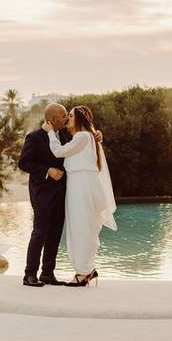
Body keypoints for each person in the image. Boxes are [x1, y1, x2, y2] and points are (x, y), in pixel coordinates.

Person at [17, 103, 103, 287]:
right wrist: (47, 170)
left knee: (55, 233)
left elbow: (82, 143)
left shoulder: (65, 135)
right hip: (42, 193)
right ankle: (29, 274)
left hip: (62, 193)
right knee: (39, 232)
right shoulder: (34, 137)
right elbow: (24, 163)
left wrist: (96, 136)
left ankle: (47, 273)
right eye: (64, 116)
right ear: (53, 120)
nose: (66, 119)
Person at [41, 105, 117, 285]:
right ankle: (86, 269)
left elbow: (58, 151)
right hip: (78, 185)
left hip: (82, 186)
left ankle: (84, 271)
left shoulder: (83, 136)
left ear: (79, 119)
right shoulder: (83, 137)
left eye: (71, 115)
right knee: (81, 225)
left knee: (82, 226)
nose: (68, 118)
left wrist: (50, 132)